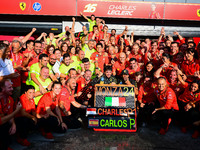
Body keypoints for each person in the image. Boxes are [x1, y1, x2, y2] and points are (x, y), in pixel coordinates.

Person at [0, 80, 17, 150]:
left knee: (9, 125)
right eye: (9, 87)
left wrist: (13, 124)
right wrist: (16, 111)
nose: (12, 89)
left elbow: (10, 114)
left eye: (12, 87)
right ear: (2, 88)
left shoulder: (10, 99)